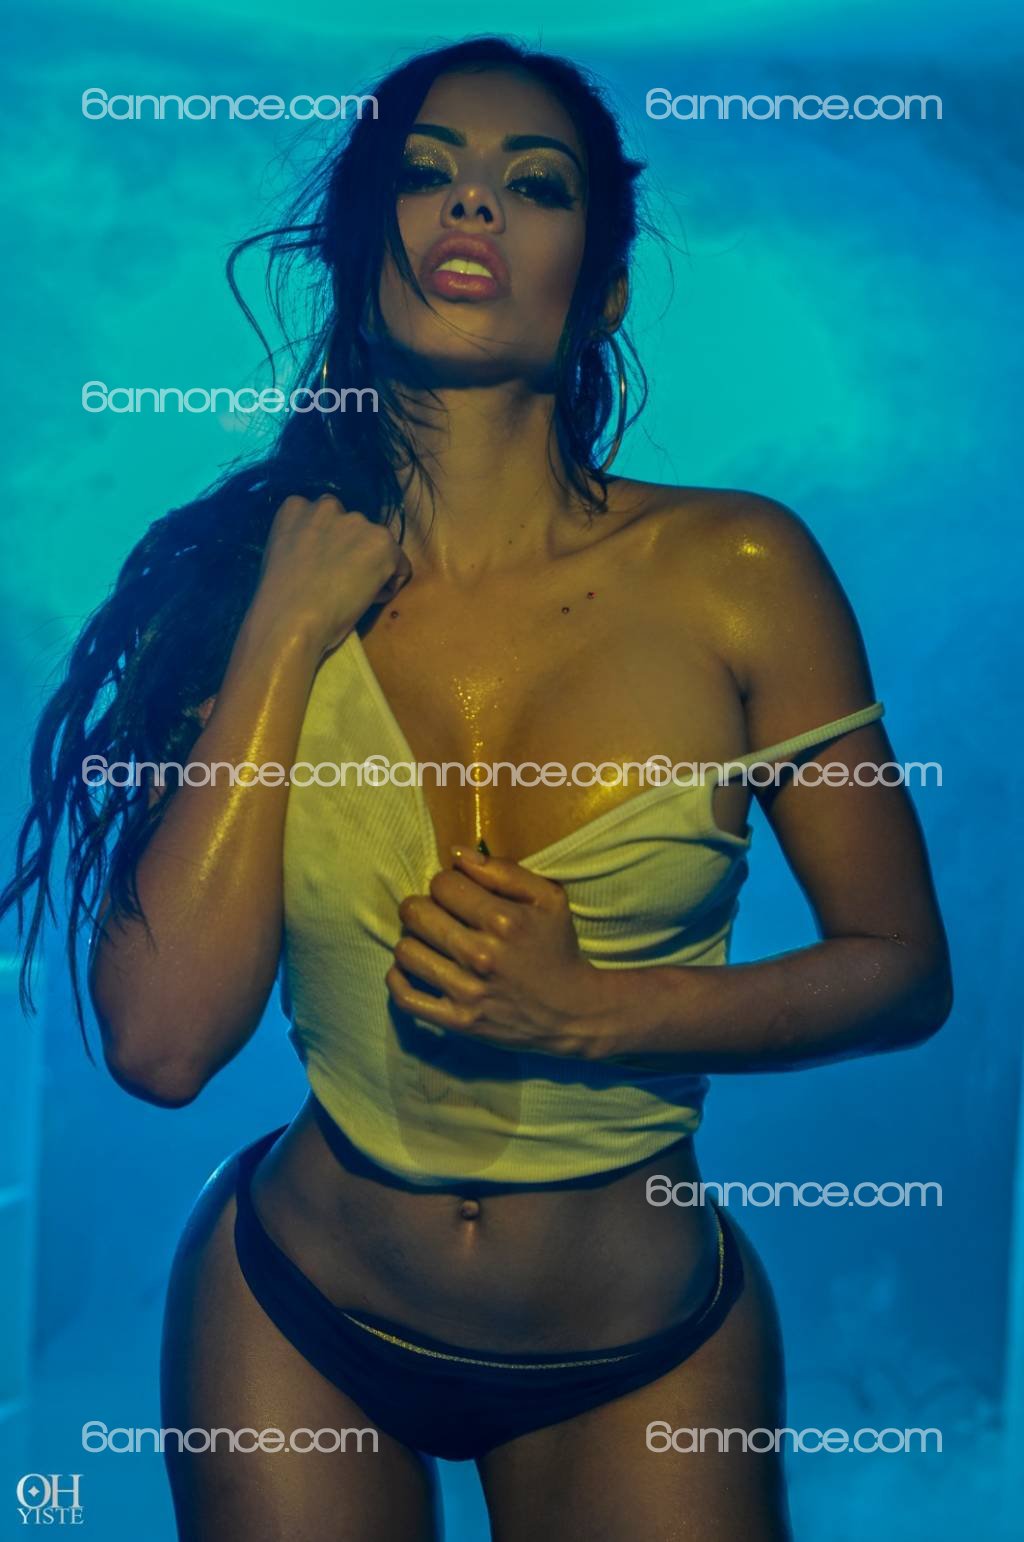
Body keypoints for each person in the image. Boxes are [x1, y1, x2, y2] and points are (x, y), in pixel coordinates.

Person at [2, 36, 952, 1541]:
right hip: (294, 1316)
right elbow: (163, 1046)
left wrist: (598, 1013)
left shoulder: (741, 570)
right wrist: (281, 630)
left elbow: (903, 972)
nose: (472, 205)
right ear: (359, 244)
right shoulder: (250, 584)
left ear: (605, 289)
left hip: (643, 1349)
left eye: (535, 184)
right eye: (428, 173)